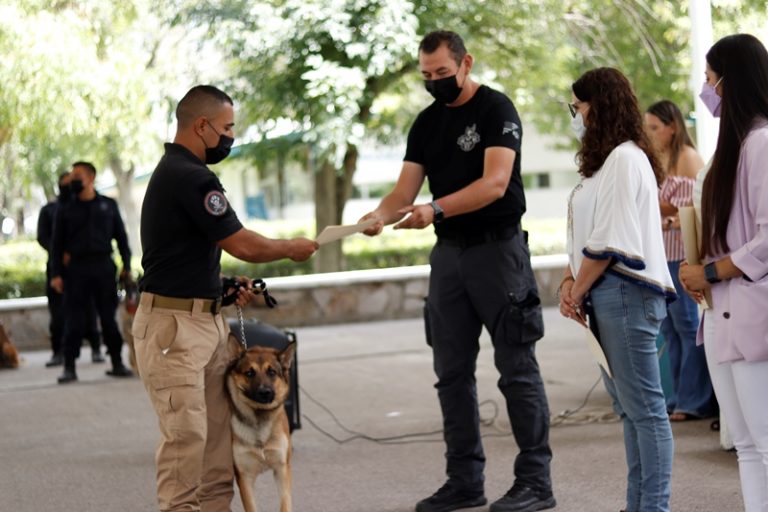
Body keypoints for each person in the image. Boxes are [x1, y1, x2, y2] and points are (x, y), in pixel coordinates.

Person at [360, 31, 554, 512]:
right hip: (448, 258)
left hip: (498, 252)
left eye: (442, 74)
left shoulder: (496, 110)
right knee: (450, 373)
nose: (434, 83)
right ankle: (464, 480)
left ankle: (536, 482)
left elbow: (494, 183)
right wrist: (379, 215)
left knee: (517, 370)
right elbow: (404, 193)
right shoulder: (425, 123)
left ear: (465, 63)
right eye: (426, 76)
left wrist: (438, 208)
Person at [134, 84, 317, 512]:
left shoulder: (178, 174)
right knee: (187, 441)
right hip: (174, 330)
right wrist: (289, 247)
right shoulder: (190, 176)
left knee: (218, 444)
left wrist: (222, 286)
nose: (231, 136)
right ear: (201, 126)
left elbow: (180, 257)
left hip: (204, 321)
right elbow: (243, 243)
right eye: (227, 127)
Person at [560, 67, 675, 512]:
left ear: (599, 105)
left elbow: (608, 239)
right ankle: (639, 505)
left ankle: (653, 506)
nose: (575, 114)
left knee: (645, 411)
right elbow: (588, 233)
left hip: (625, 291)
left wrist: (576, 288)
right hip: (606, 292)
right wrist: (572, 282)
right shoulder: (609, 161)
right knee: (631, 412)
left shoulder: (627, 157)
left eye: (578, 106)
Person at [679, 33, 768, 512]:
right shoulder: (731, 149)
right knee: (747, 447)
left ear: (729, 82)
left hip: (750, 311)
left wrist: (710, 271)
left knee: (765, 442)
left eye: (710, 79)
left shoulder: (762, 143)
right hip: (720, 314)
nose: (705, 88)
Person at [644, 100, 715, 421]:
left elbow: (692, 213)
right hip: (661, 255)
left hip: (682, 255)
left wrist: (665, 218)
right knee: (671, 329)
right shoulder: (660, 159)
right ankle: (676, 397)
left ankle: (693, 400)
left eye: (655, 127)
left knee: (688, 327)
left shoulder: (688, 158)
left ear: (672, 126)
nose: (650, 133)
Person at [50, 162, 133, 383]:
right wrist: (56, 274)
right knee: (74, 319)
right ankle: (69, 366)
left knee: (108, 317)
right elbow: (56, 245)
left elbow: (121, 238)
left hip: (104, 267)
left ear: (91, 178)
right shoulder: (65, 208)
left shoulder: (108, 205)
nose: (72, 180)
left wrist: (127, 265)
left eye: (77, 176)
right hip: (76, 270)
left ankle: (116, 362)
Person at [37, 171, 104, 367]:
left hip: (81, 268)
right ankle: (58, 352)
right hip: (57, 267)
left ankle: (96, 347)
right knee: (57, 312)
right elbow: (44, 237)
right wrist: (60, 255)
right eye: (65, 184)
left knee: (89, 309)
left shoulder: (85, 207)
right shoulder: (49, 210)